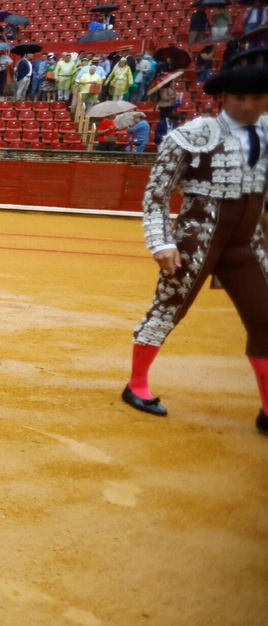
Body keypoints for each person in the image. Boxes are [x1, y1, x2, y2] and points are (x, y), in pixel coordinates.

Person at [124, 48, 268, 432]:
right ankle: (136, 384)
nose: (249, 105)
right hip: (196, 237)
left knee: (266, 317)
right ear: (224, 97)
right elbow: (157, 194)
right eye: (241, 98)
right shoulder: (192, 135)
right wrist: (161, 243)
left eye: (258, 97)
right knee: (169, 309)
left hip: (248, 242)